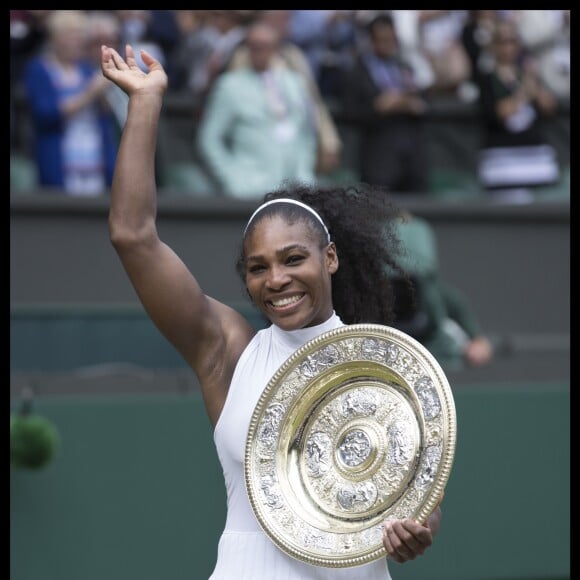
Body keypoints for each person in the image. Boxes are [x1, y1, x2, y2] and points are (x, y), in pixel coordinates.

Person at [100, 42, 443, 579]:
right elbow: (133, 236)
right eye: (258, 267)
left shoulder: (384, 366)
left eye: (292, 259)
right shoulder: (229, 350)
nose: (276, 279)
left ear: (329, 258)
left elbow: (418, 498)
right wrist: (144, 102)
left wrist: (415, 532)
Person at [196, 20, 319, 199]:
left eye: (266, 46)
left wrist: (305, 173)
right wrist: (233, 179)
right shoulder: (231, 86)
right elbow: (209, 139)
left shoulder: (295, 83)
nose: (260, 52)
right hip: (250, 190)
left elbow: (307, 133)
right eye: (254, 46)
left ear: (277, 48)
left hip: (296, 189)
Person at [21, 10, 118, 196]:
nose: (78, 41)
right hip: (60, 163)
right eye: (72, 36)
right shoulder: (39, 70)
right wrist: (90, 93)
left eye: (81, 36)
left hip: (95, 162)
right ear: (55, 38)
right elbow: (46, 114)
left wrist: (106, 94)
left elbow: (105, 115)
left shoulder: (88, 71)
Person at [390, 212, 494, 368]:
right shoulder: (363, 300)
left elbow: (480, 345)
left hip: (435, 359)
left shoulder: (439, 296)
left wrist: (478, 346)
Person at [341, 13, 429, 193]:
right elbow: (350, 112)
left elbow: (423, 101)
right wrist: (378, 107)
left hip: (410, 156)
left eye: (391, 39)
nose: (388, 44)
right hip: (378, 158)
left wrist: (406, 103)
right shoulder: (358, 72)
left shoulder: (405, 67)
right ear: (371, 41)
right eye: (382, 40)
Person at [475, 18, 561, 201]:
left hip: (535, 160)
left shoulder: (527, 76)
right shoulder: (487, 78)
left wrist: (535, 84)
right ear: (493, 46)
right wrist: (523, 94)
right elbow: (501, 112)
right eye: (503, 41)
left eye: (513, 41)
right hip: (504, 164)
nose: (509, 47)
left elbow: (548, 106)